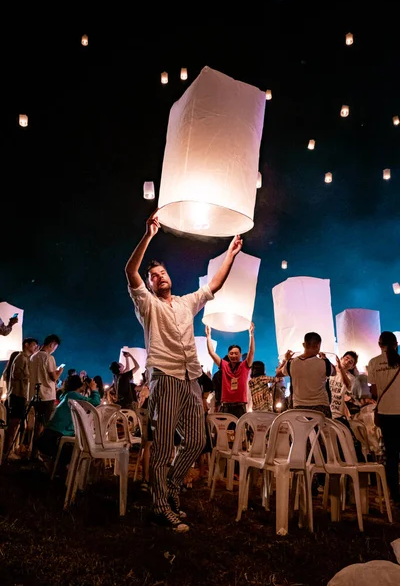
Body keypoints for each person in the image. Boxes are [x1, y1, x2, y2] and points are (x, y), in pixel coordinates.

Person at [125, 208, 242, 532]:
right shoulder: (147, 305)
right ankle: (160, 506)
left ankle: (171, 489)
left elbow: (213, 287)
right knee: (162, 446)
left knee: (195, 441)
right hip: (164, 376)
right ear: (149, 284)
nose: (159, 276)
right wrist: (148, 235)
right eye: (154, 275)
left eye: (162, 272)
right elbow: (129, 270)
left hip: (191, 377)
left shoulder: (186, 303)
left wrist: (230, 255)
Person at [37, 374, 100, 469]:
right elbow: (94, 403)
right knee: (82, 449)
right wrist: (94, 390)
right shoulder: (73, 395)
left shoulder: (66, 396)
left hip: (48, 436)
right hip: (55, 438)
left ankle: (56, 466)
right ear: (79, 386)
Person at [368, 331, 400, 505]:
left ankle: (395, 493)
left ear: (380, 345)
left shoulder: (373, 363)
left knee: (392, 454)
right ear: (396, 344)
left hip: (386, 413)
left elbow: (373, 390)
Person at [276, 332, 336, 418]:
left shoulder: (291, 363)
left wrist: (286, 360)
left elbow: (278, 373)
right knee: (322, 431)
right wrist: (325, 358)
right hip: (321, 409)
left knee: (302, 431)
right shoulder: (324, 364)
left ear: (304, 345)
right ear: (318, 345)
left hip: (299, 409)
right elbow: (334, 372)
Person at [206, 323, 255, 419]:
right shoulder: (224, 365)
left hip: (240, 406)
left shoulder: (244, 366)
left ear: (240, 355)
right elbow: (211, 353)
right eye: (231, 353)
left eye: (236, 353)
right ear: (228, 355)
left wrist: (251, 334)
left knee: (239, 432)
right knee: (224, 433)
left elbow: (251, 351)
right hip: (226, 406)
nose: (234, 356)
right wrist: (208, 336)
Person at [4, 337, 39, 457]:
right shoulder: (21, 358)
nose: (35, 347)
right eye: (34, 345)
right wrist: (29, 376)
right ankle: (7, 451)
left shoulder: (26, 359)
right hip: (17, 394)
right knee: (14, 423)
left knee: (17, 423)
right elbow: (16, 375)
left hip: (21, 394)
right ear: (26, 345)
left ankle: (11, 450)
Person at [29, 334, 64, 438]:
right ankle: (38, 450)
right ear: (52, 344)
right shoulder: (49, 357)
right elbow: (54, 378)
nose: (54, 350)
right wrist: (60, 371)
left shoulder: (33, 356)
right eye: (55, 347)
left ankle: (32, 450)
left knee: (36, 423)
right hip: (47, 395)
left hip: (34, 395)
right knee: (42, 424)